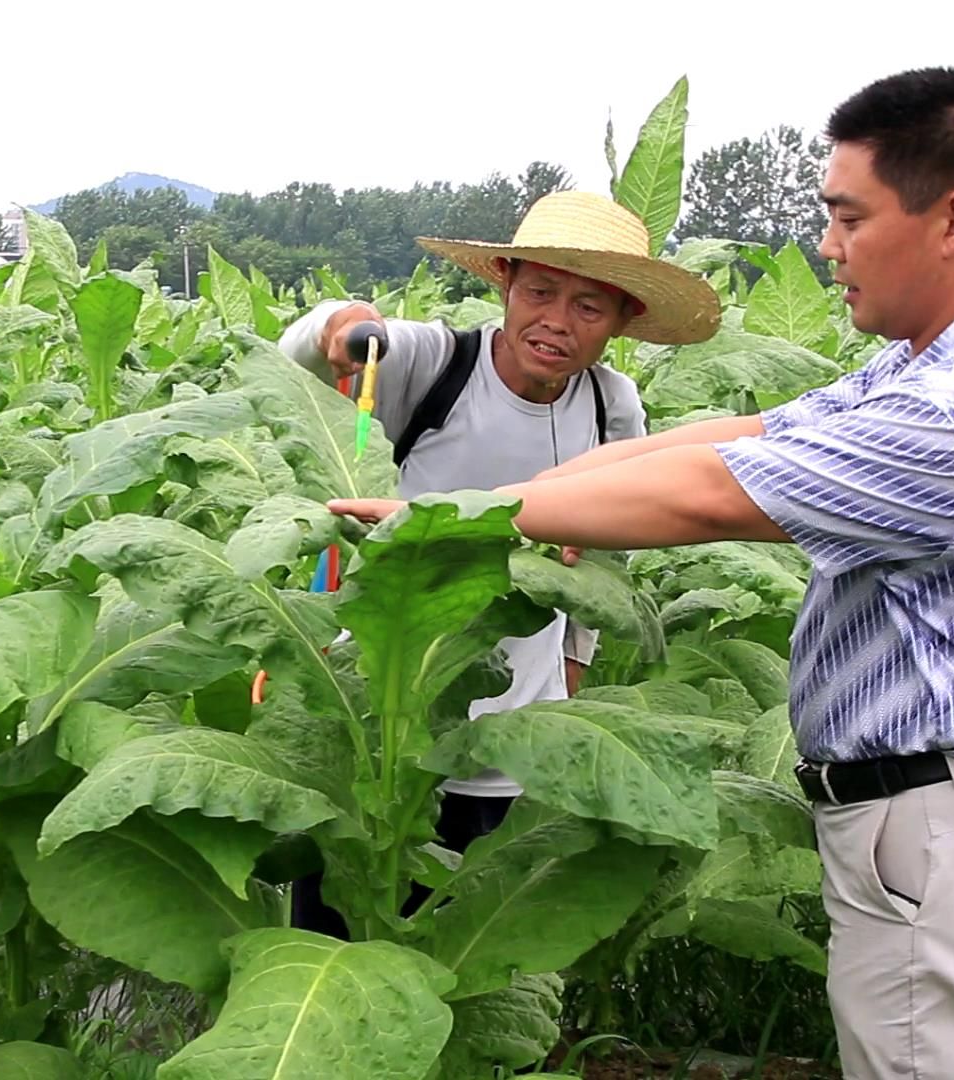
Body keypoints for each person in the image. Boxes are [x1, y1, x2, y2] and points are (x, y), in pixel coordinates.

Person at [330, 68, 954, 1080]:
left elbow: (710, 492)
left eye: (848, 217)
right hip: (949, 810)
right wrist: (544, 489)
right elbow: (755, 429)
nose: (826, 246)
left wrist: (456, 517)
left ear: (953, 219)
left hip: (946, 818)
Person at [279, 190, 721, 932]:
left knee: (470, 945)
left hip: (512, 745)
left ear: (621, 322)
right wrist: (342, 324)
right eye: (540, 291)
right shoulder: (435, 362)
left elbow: (607, 560)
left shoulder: (613, 409)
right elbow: (309, 354)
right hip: (380, 720)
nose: (555, 320)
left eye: (588, 306)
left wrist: (575, 657)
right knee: (342, 930)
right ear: (506, 285)